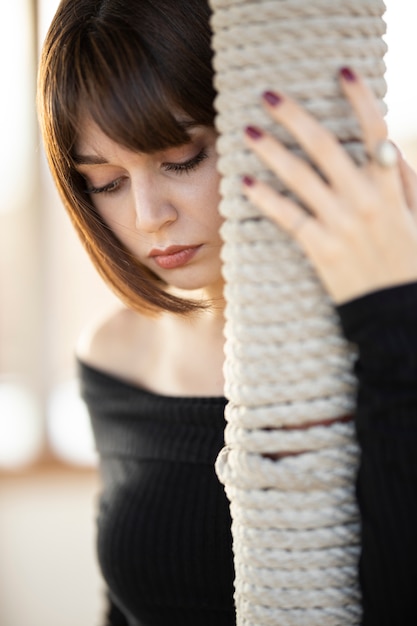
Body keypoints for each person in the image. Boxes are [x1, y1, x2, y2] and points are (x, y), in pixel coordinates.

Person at [37, 0, 417, 624]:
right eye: (105, 181)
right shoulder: (116, 355)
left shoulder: (392, 336)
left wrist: (392, 318)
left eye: (181, 158)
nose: (146, 214)